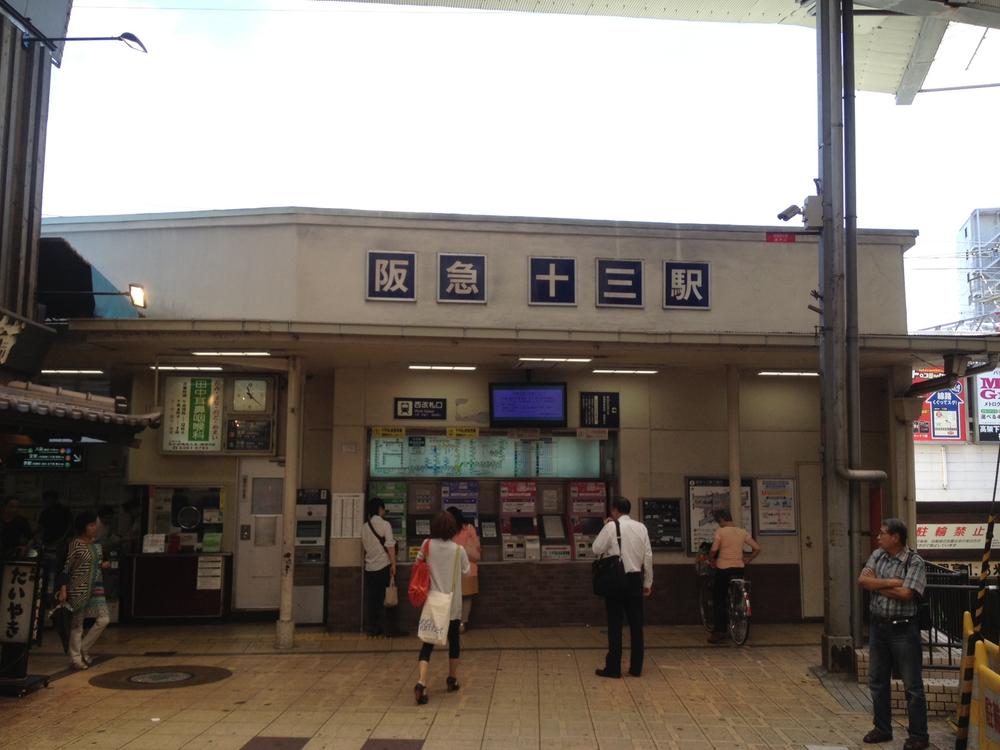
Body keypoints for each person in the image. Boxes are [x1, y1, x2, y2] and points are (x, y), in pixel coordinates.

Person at [857, 518, 928, 750]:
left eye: (883, 533)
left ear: (895, 537)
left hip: (904, 629)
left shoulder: (914, 561)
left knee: (912, 686)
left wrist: (876, 584)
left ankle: (918, 735)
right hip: (879, 627)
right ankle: (882, 728)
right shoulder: (878, 555)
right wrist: (890, 582)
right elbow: (862, 580)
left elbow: (908, 594)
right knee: (878, 681)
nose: (878, 537)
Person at [592, 497, 653, 678]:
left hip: (616, 579)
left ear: (614, 510)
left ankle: (613, 668)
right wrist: (647, 582)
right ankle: (636, 668)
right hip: (635, 579)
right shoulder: (641, 527)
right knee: (636, 625)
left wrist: (606, 526)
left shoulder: (611, 526)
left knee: (615, 624)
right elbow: (648, 556)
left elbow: (596, 548)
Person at [414, 510, 471, 705]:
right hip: (452, 604)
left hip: (433, 601)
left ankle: (421, 682)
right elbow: (466, 571)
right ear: (453, 529)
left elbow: (418, 562)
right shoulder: (458, 550)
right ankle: (452, 678)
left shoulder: (427, 544)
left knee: (427, 643)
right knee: (454, 641)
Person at [57, 511, 112, 670]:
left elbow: (103, 561)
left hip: (97, 586)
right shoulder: (75, 544)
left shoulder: (98, 545)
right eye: (91, 525)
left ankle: (83, 648)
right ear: (83, 527)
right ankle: (75, 658)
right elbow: (66, 568)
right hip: (78, 587)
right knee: (77, 624)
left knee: (104, 619)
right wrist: (63, 589)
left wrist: (105, 564)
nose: (94, 528)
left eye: (95, 524)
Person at [708, 507, 761, 643]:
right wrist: (748, 559)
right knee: (736, 593)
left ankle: (719, 631)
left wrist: (712, 560)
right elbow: (757, 548)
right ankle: (738, 611)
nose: (718, 524)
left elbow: (714, 550)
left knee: (718, 597)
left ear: (721, 519)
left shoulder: (721, 531)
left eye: (718, 521)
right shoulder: (742, 532)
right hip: (739, 569)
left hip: (723, 568)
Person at [361, 497, 397, 637]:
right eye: (383, 509)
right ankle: (390, 629)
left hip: (370, 568)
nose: (384, 512)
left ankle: (374, 628)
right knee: (388, 598)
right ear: (380, 509)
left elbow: (365, 547)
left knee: (373, 599)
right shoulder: (385, 525)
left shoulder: (365, 527)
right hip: (383, 566)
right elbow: (390, 546)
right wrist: (393, 564)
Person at [446, 506, 481, 633]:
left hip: (451, 568)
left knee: (451, 597)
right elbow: (477, 546)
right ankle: (462, 623)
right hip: (469, 568)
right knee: (466, 598)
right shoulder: (470, 528)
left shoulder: (448, 530)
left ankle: (452, 622)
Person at [1, 496, 33, 560]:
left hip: (14, 554)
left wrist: (25, 548)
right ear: (5, 506)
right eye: (11, 506)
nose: (15, 509)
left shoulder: (21, 521)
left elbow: (31, 538)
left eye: (17, 507)